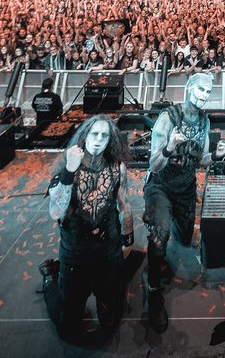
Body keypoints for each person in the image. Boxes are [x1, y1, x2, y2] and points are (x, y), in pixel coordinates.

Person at [142, 72, 225, 332]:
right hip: (160, 186)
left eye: (208, 92)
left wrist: (217, 155)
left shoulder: (204, 121)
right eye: (201, 90)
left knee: (183, 238)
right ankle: (153, 290)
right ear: (190, 88)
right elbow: (154, 165)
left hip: (186, 188)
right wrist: (169, 146)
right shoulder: (168, 117)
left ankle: (164, 259)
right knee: (160, 234)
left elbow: (201, 160)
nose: (204, 96)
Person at [42, 114, 134, 343]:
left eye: (104, 136)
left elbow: (124, 204)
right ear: (85, 136)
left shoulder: (117, 167)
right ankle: (50, 279)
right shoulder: (67, 162)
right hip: (75, 250)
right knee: (68, 329)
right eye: (94, 134)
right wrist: (69, 171)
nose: (99, 140)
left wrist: (128, 237)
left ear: (110, 140)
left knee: (111, 321)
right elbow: (55, 211)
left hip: (107, 247)